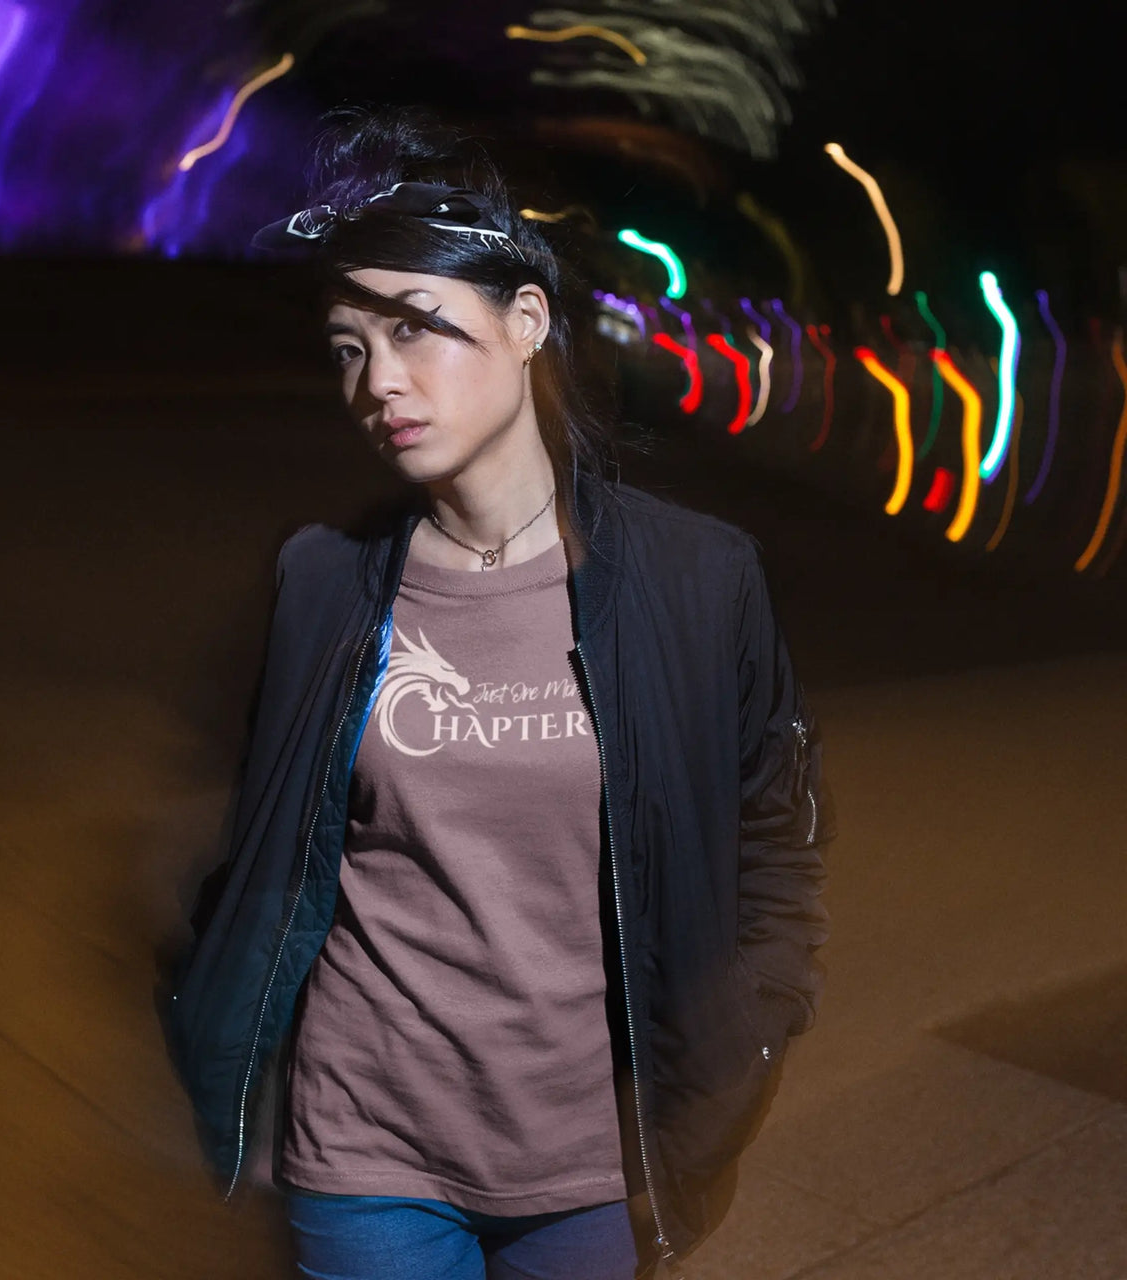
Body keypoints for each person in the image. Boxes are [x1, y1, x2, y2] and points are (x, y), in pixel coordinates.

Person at [162, 104, 834, 1280]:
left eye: (417, 327)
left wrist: (736, 1051)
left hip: (585, 1164)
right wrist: (234, 1046)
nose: (379, 379)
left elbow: (772, 839)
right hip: (361, 1146)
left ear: (525, 322)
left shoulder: (696, 578)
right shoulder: (320, 580)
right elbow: (264, 849)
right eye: (347, 346)